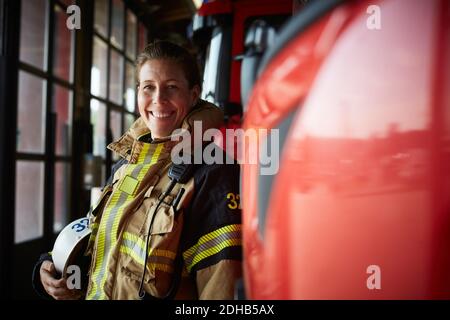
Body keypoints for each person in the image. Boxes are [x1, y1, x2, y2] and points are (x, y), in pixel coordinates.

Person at [32, 40, 242, 300]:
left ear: (193, 94)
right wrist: (53, 267)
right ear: (138, 92)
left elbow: (220, 286)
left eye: (172, 87)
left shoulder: (212, 170)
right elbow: (98, 242)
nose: (158, 99)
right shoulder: (127, 162)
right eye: (149, 88)